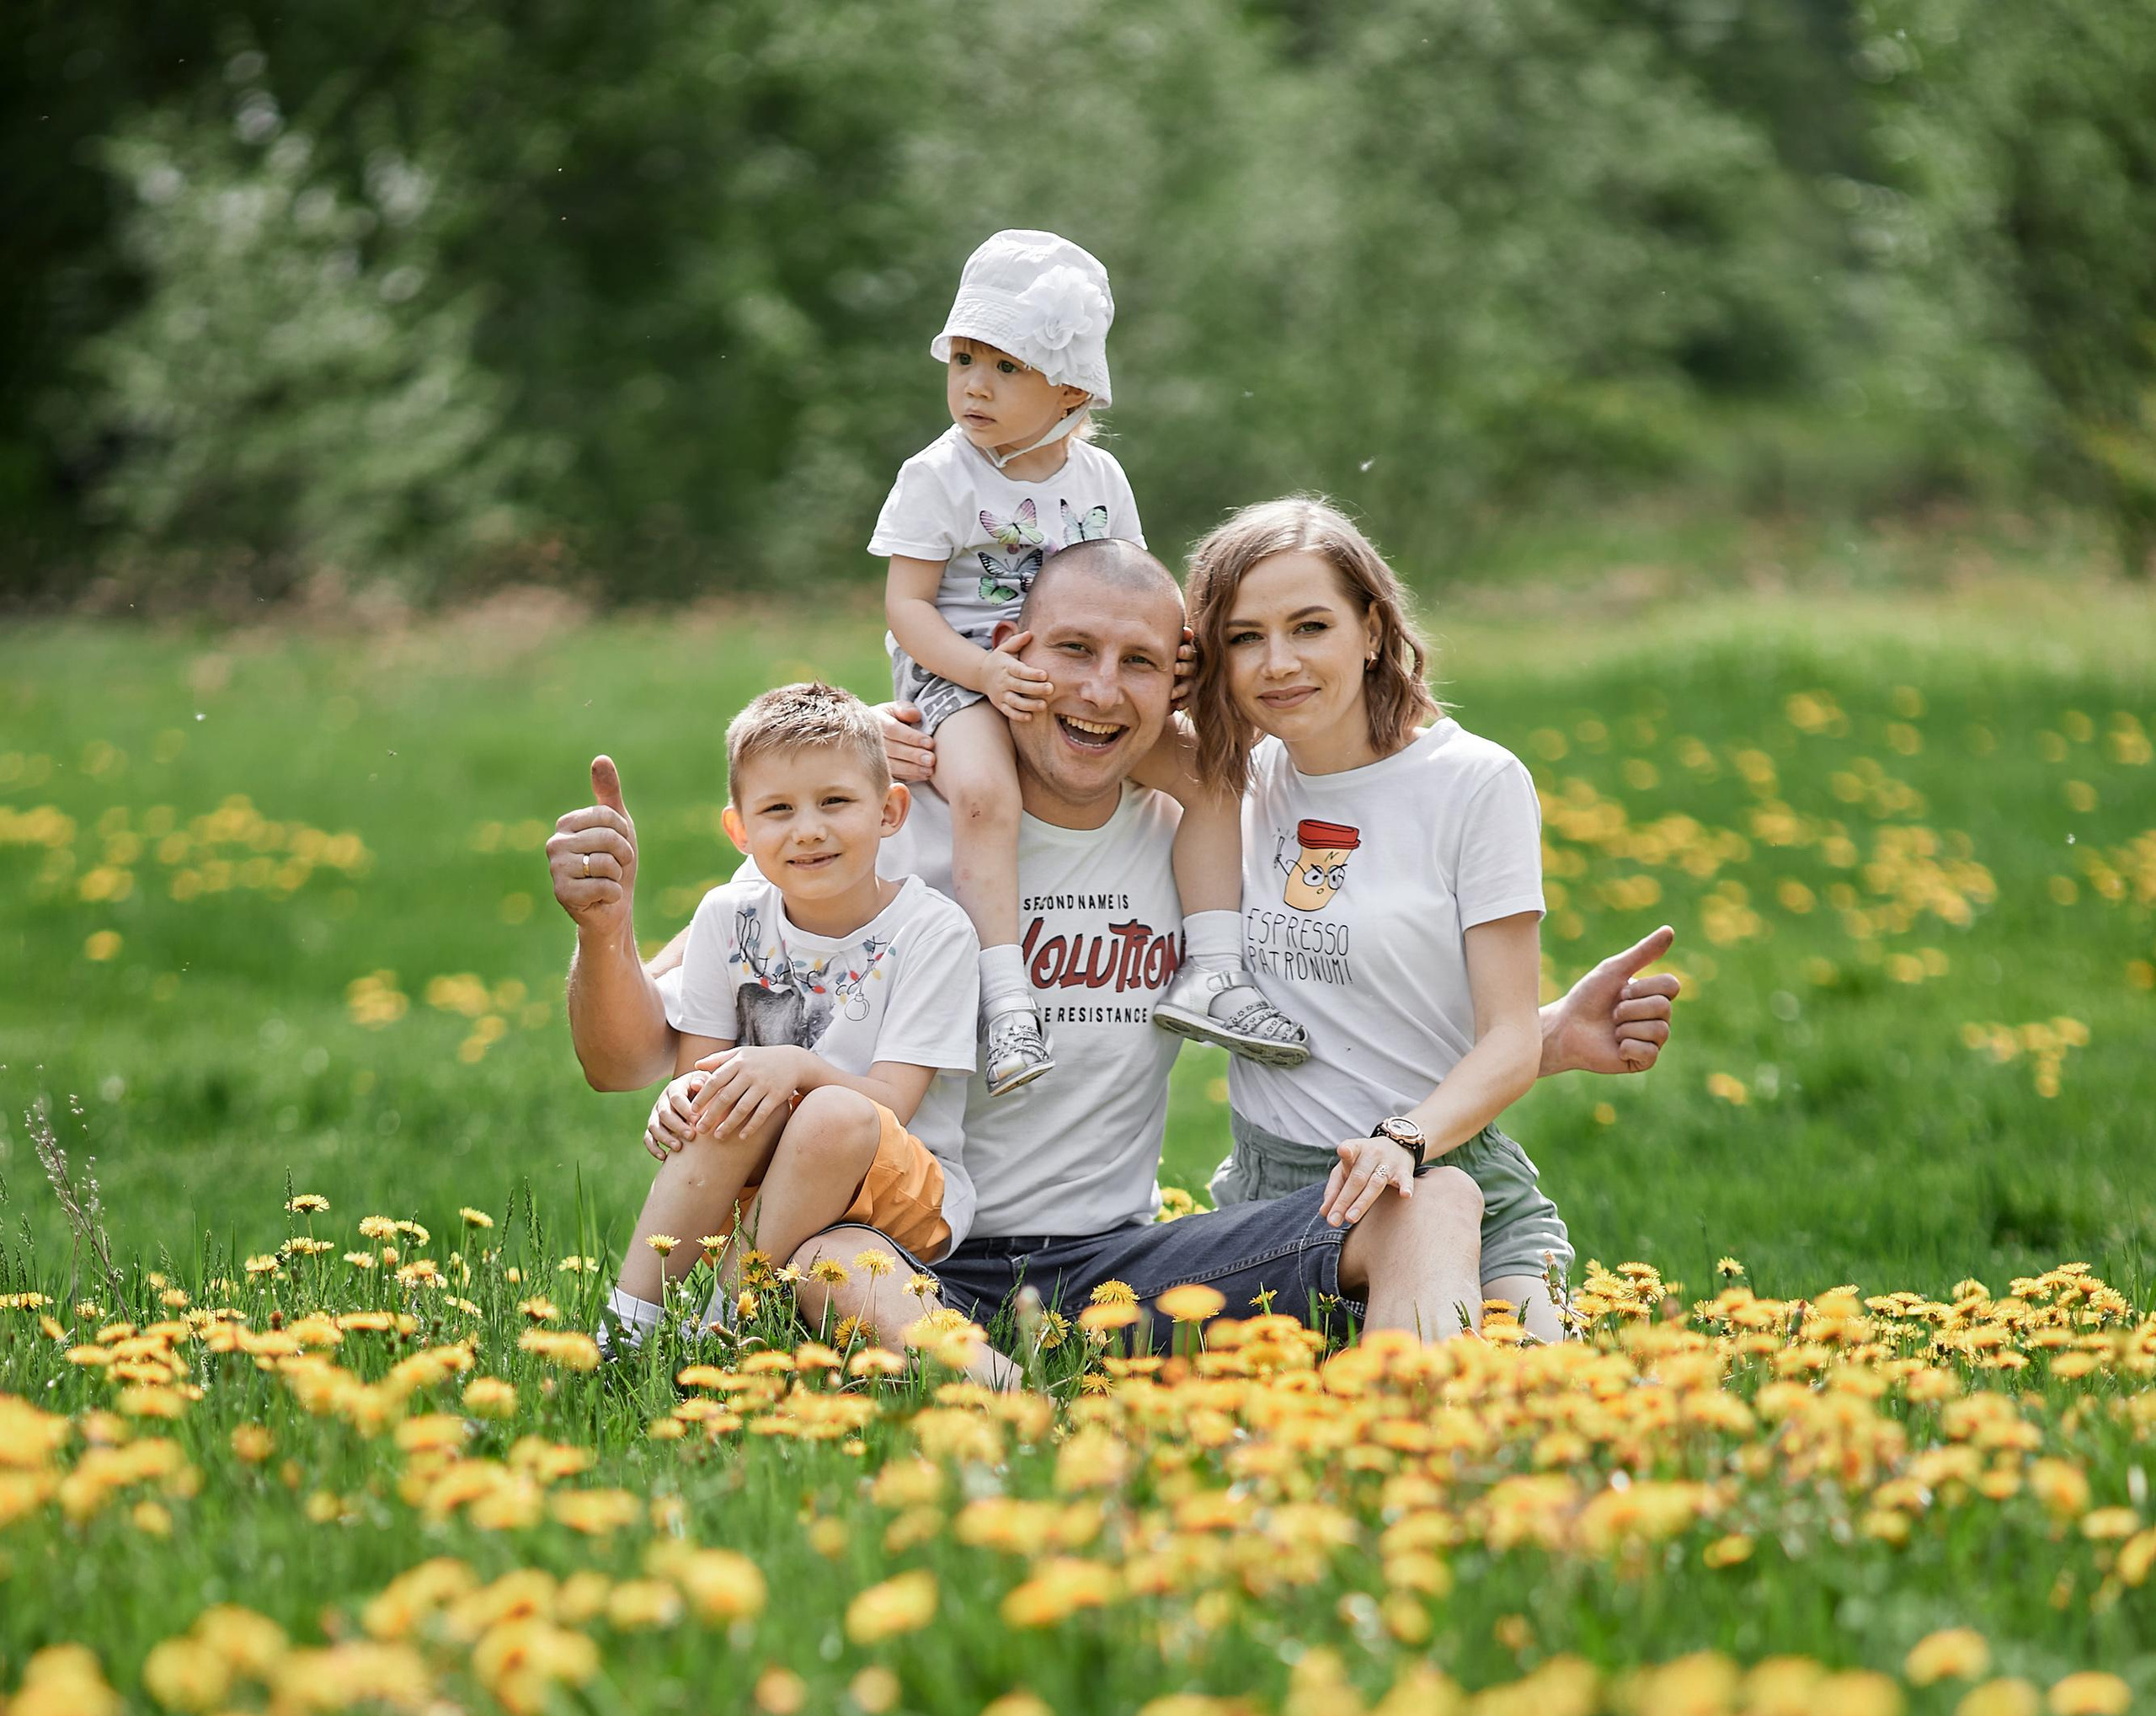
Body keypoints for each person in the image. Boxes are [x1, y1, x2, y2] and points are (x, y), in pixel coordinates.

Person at [554, 541, 1681, 1357]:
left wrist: (1544, 1041)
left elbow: (1338, 995)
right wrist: (604, 932)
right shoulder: (891, 824)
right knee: (834, 1267)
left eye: (1141, 663)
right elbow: (630, 1058)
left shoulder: (1204, 842)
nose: (1100, 691)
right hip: (899, 1241)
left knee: (1432, 1203)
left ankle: (1393, 1453)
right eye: (1073, 652)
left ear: (1179, 683)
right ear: (1010, 656)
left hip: (1110, 1263)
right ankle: (996, 1409)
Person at [871, 228, 1308, 1099]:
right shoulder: (939, 475)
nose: (972, 385)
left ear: (1069, 389)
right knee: (985, 797)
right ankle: (1005, 1001)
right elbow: (904, 607)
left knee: (1214, 776)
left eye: (1004, 367)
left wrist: (1173, 666)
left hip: (1076, 680)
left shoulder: (1100, 478)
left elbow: (1133, 588)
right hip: (961, 676)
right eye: (962, 359)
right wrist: (984, 675)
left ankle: (1214, 970)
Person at [1182, 495, 1575, 1337]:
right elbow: (1074, 717)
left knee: (1540, 1408)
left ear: (1371, 629)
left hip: (1447, 1181)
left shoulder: (1473, 783)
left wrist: (1403, 1138)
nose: (1277, 662)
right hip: (1272, 1203)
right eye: (1244, 638)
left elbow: (1508, 1039)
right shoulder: (1225, 779)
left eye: (1309, 626)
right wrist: (893, 728)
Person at [560, 683, 979, 1357]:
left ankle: (713, 1333)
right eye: (778, 809)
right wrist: (680, 1096)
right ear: (741, 831)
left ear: (890, 811)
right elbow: (703, 1068)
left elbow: (895, 1104)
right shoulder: (727, 917)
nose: (807, 828)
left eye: (835, 802)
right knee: (725, 1093)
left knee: (831, 1110)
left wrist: (799, 1065)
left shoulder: (933, 931)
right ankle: (624, 1334)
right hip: (755, 1198)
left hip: (901, 1199)